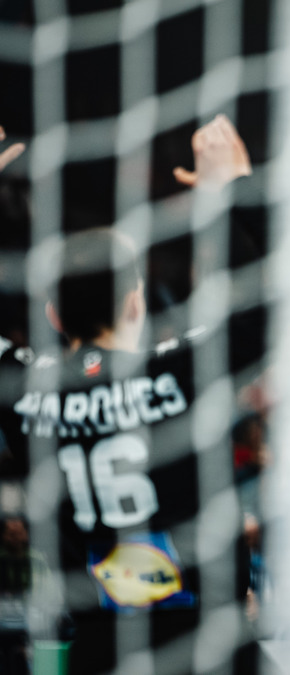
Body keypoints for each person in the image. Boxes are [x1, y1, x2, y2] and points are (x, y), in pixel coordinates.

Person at [0, 115, 255, 674]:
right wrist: (230, 187)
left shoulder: (23, 392)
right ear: (137, 304)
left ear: (52, 314)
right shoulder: (185, 368)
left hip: (98, 652)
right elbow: (262, 300)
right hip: (205, 647)